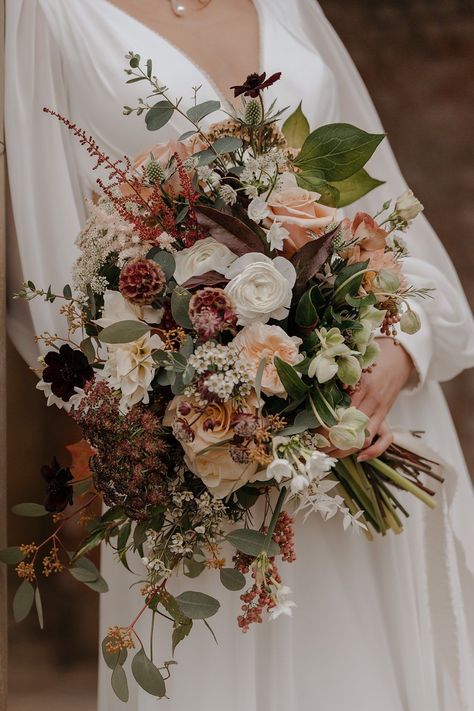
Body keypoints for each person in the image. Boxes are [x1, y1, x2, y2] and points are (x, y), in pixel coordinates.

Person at [5, 1, 474, 709]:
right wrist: (159, 411)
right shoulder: (49, 13)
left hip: (360, 408)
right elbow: (46, 242)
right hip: (203, 453)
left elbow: (381, 204)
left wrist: (403, 344)